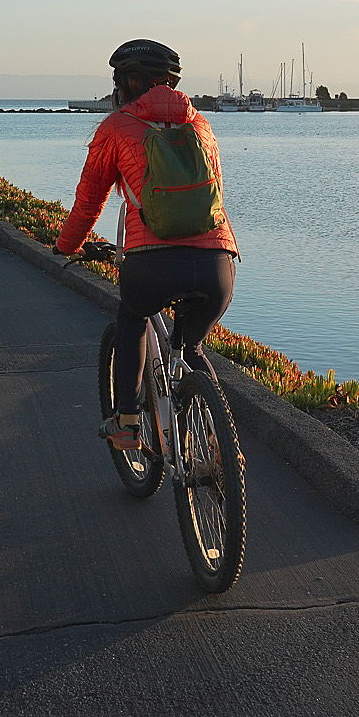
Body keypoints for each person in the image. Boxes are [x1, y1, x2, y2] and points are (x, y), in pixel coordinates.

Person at [53, 39, 237, 452]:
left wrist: (66, 246)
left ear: (125, 84)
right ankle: (218, 444)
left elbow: (89, 201)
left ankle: (129, 423)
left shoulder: (116, 128)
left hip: (152, 263)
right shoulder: (201, 125)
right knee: (191, 348)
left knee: (132, 319)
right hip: (217, 263)